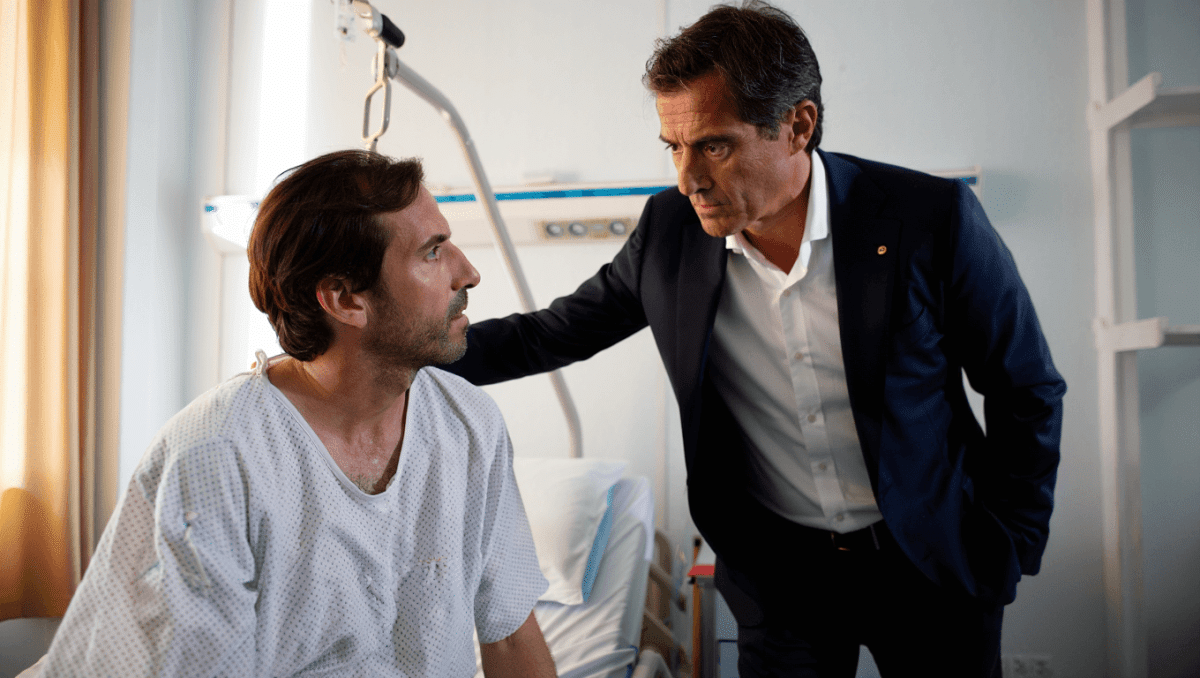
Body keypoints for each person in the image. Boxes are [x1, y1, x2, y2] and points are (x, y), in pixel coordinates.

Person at [443, 2, 1066, 676]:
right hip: (782, 578)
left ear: (798, 126)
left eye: (714, 145)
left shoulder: (928, 219)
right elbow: (550, 334)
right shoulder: (671, 233)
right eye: (674, 147)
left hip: (931, 561)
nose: (688, 178)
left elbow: (1025, 387)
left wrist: (1013, 543)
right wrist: (407, 353)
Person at [33, 150, 556, 677]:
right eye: (432, 253)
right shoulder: (220, 457)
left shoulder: (469, 426)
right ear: (345, 300)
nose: (468, 273)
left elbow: (512, 638)